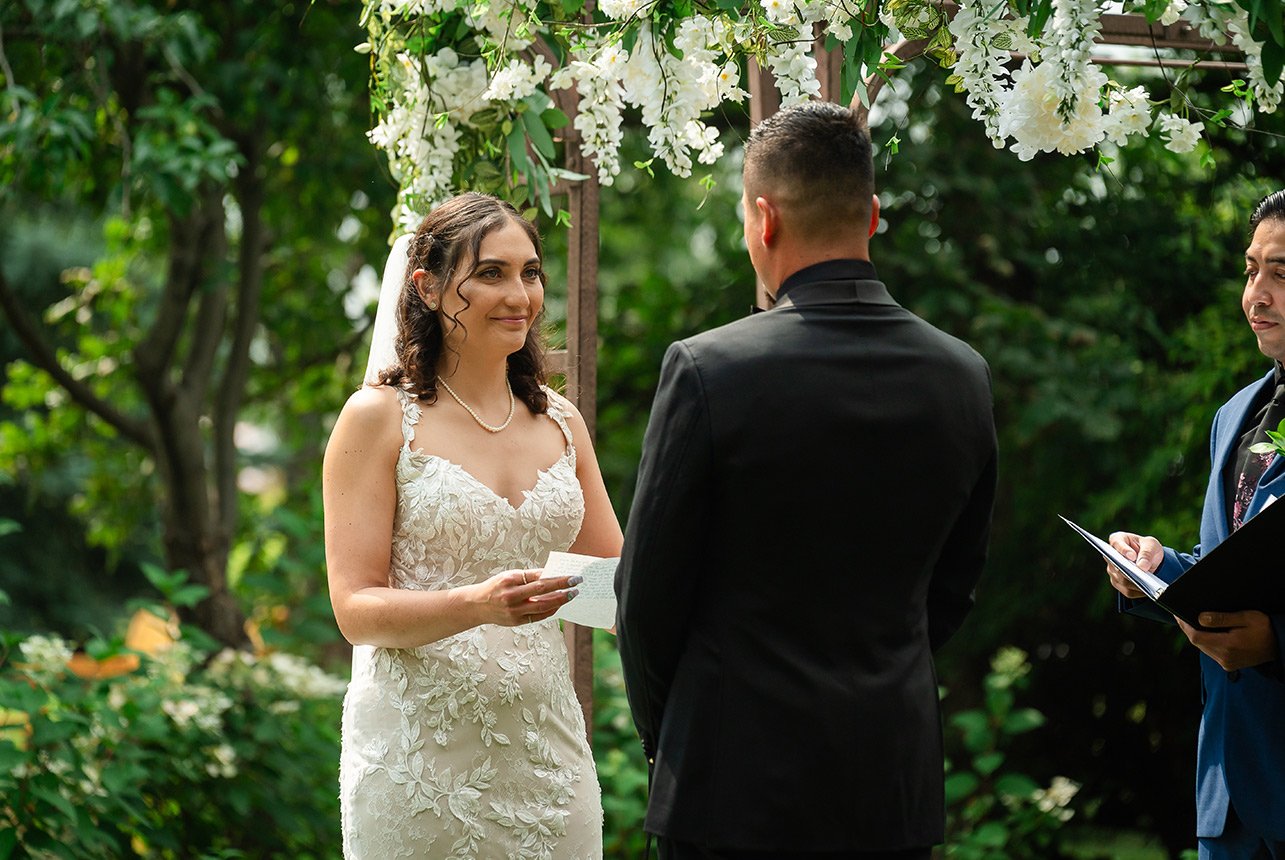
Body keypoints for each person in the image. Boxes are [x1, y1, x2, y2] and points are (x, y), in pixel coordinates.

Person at [614, 101, 998, 859]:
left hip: (729, 794)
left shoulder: (707, 369)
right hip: (889, 790)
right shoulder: (962, 376)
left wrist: (672, 740)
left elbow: (647, 597)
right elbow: (952, 592)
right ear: (873, 215)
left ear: (764, 220)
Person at [323, 192, 622, 859]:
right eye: (490, 273)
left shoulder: (562, 425)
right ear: (427, 289)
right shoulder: (377, 419)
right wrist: (475, 605)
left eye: (530, 272)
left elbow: (612, 585)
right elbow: (354, 608)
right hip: (418, 763)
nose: (519, 293)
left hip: (547, 759)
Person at [1105, 190, 1285, 860]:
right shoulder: (1231, 415)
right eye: (1249, 270)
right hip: (1227, 800)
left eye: (1280, 274)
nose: (1255, 295)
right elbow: (1230, 567)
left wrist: (1277, 641)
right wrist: (1156, 569)